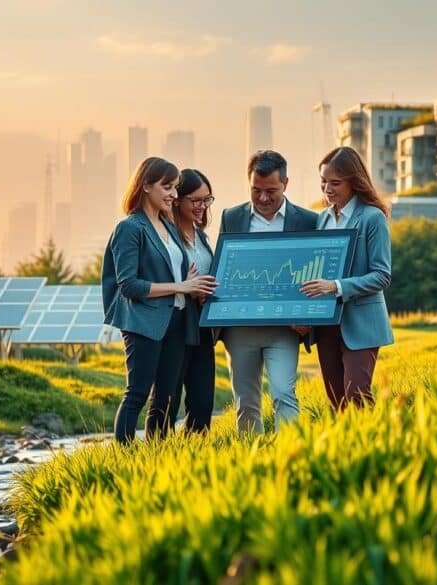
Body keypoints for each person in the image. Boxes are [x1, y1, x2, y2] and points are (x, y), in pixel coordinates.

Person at [102, 157, 217, 443]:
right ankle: (125, 460)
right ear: (145, 186)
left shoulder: (167, 226)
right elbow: (129, 285)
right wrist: (181, 285)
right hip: (144, 322)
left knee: (166, 398)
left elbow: (172, 270)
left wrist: (188, 280)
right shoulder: (130, 228)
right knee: (137, 394)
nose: (173, 195)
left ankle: (157, 457)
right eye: (167, 187)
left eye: (175, 188)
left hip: (176, 322)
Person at [218, 150, 318, 433]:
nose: (263, 198)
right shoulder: (232, 217)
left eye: (271, 190)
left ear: (286, 183)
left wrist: (307, 320)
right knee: (246, 404)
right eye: (256, 190)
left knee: (284, 395)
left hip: (284, 329)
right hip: (240, 330)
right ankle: (254, 466)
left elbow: (318, 272)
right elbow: (224, 268)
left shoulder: (308, 221)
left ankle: (289, 459)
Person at [300, 146, 394, 410]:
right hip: (326, 324)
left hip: (361, 323)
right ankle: (348, 450)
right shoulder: (323, 220)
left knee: (357, 397)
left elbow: (382, 275)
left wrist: (336, 286)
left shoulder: (372, 218)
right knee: (337, 401)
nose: (327, 189)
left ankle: (376, 447)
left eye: (335, 183)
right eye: (323, 182)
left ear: (354, 181)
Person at [171, 168, 217, 432]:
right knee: (168, 398)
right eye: (196, 200)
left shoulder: (201, 237)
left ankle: (194, 457)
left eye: (207, 200)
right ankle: (156, 456)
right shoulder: (166, 236)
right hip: (175, 326)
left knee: (202, 401)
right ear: (177, 199)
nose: (202, 206)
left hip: (201, 328)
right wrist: (189, 288)